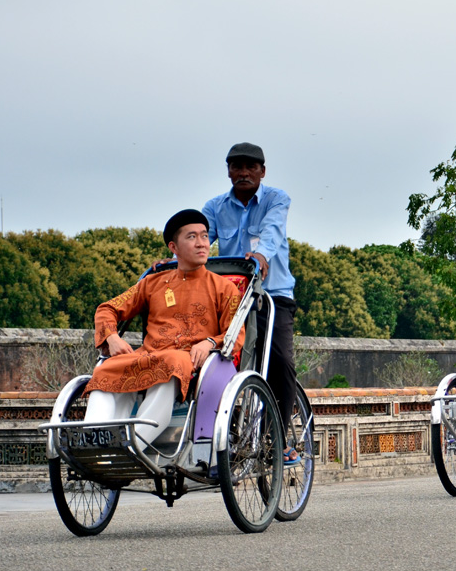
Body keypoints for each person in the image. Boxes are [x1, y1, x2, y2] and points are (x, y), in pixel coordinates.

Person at [83, 209, 244, 451]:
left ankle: (133, 446)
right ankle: (93, 441)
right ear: (174, 247)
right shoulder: (153, 283)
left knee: (171, 362)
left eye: (204, 236)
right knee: (105, 370)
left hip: (190, 360)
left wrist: (209, 342)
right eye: (192, 237)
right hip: (149, 356)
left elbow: (234, 335)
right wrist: (112, 337)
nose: (202, 243)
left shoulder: (225, 288)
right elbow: (107, 309)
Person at [201, 142, 298, 434]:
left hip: (272, 296)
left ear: (262, 171)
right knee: (218, 358)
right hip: (231, 298)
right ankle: (222, 430)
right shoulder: (215, 207)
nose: (243, 173)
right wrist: (177, 255)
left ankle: (280, 437)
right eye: (236, 167)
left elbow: (273, 231)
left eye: (250, 167)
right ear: (228, 171)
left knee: (280, 362)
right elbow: (199, 238)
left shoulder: (276, 199)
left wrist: (261, 255)